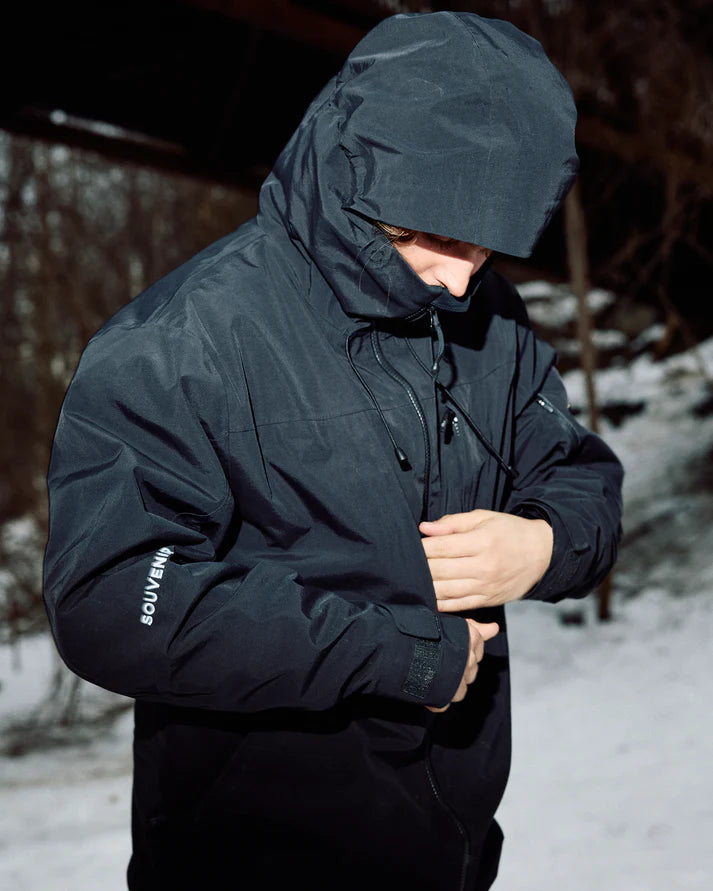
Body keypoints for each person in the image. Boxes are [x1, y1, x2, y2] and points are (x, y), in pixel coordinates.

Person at [43, 11, 622, 891]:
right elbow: (109, 599)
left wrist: (543, 544)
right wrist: (393, 650)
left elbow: (578, 476)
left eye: (486, 244)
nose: (462, 277)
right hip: (247, 861)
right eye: (437, 238)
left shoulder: (486, 317)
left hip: (451, 854)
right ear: (357, 182)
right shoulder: (181, 341)